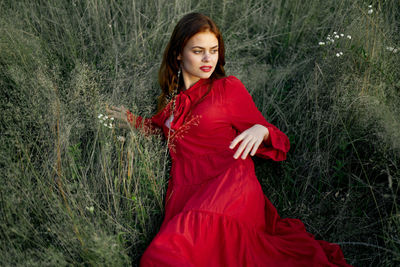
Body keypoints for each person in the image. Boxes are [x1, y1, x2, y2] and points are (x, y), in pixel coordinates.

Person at [107, 12, 351, 267]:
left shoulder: (227, 89)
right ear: (178, 53)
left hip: (230, 184)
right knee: (163, 256)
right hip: (187, 191)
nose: (207, 59)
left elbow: (280, 140)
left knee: (169, 254)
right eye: (198, 50)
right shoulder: (172, 105)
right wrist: (130, 120)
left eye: (213, 50)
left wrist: (261, 130)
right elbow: (158, 130)